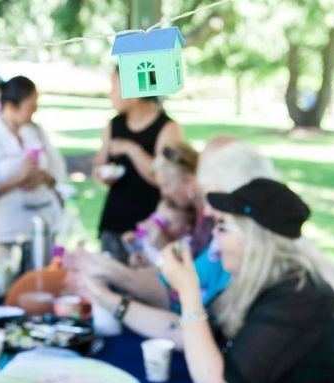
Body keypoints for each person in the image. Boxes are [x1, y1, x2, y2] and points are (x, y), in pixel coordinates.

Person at [160, 178, 334, 383]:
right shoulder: (257, 281)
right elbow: (193, 336)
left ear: (254, 239)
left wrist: (189, 292)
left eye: (223, 227)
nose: (214, 238)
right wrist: (107, 299)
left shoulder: (301, 295)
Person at [68, 140, 279, 342]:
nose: (206, 208)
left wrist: (111, 276)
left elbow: (181, 298)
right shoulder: (209, 224)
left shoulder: (226, 242)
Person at [0, 76, 67, 259]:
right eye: (31, 106)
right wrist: (18, 178)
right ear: (10, 106)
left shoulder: (35, 131)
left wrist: (43, 177)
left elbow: (59, 169)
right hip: (7, 233)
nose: (35, 111)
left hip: (43, 226)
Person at [93, 67, 183, 261]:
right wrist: (103, 175)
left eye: (114, 87)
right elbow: (98, 166)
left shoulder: (167, 128)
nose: (110, 94)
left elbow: (166, 178)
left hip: (151, 227)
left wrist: (132, 150)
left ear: (133, 91)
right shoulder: (113, 125)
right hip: (114, 223)